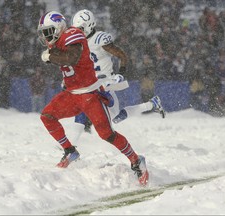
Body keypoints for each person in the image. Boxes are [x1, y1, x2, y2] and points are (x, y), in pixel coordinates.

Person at [37, 11, 149, 186]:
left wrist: (50, 56)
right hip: (72, 93)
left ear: (59, 27)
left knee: (106, 134)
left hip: (90, 93)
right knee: (47, 116)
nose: (45, 35)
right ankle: (69, 150)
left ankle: (136, 160)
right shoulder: (59, 40)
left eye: (48, 31)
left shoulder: (73, 34)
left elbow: (72, 59)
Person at [71, 9, 165, 131]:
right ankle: (76, 140)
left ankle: (151, 104)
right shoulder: (77, 44)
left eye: (81, 29)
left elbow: (122, 56)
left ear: (89, 25)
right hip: (91, 84)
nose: (78, 32)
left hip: (105, 83)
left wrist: (120, 74)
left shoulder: (99, 39)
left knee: (114, 117)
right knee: (87, 111)